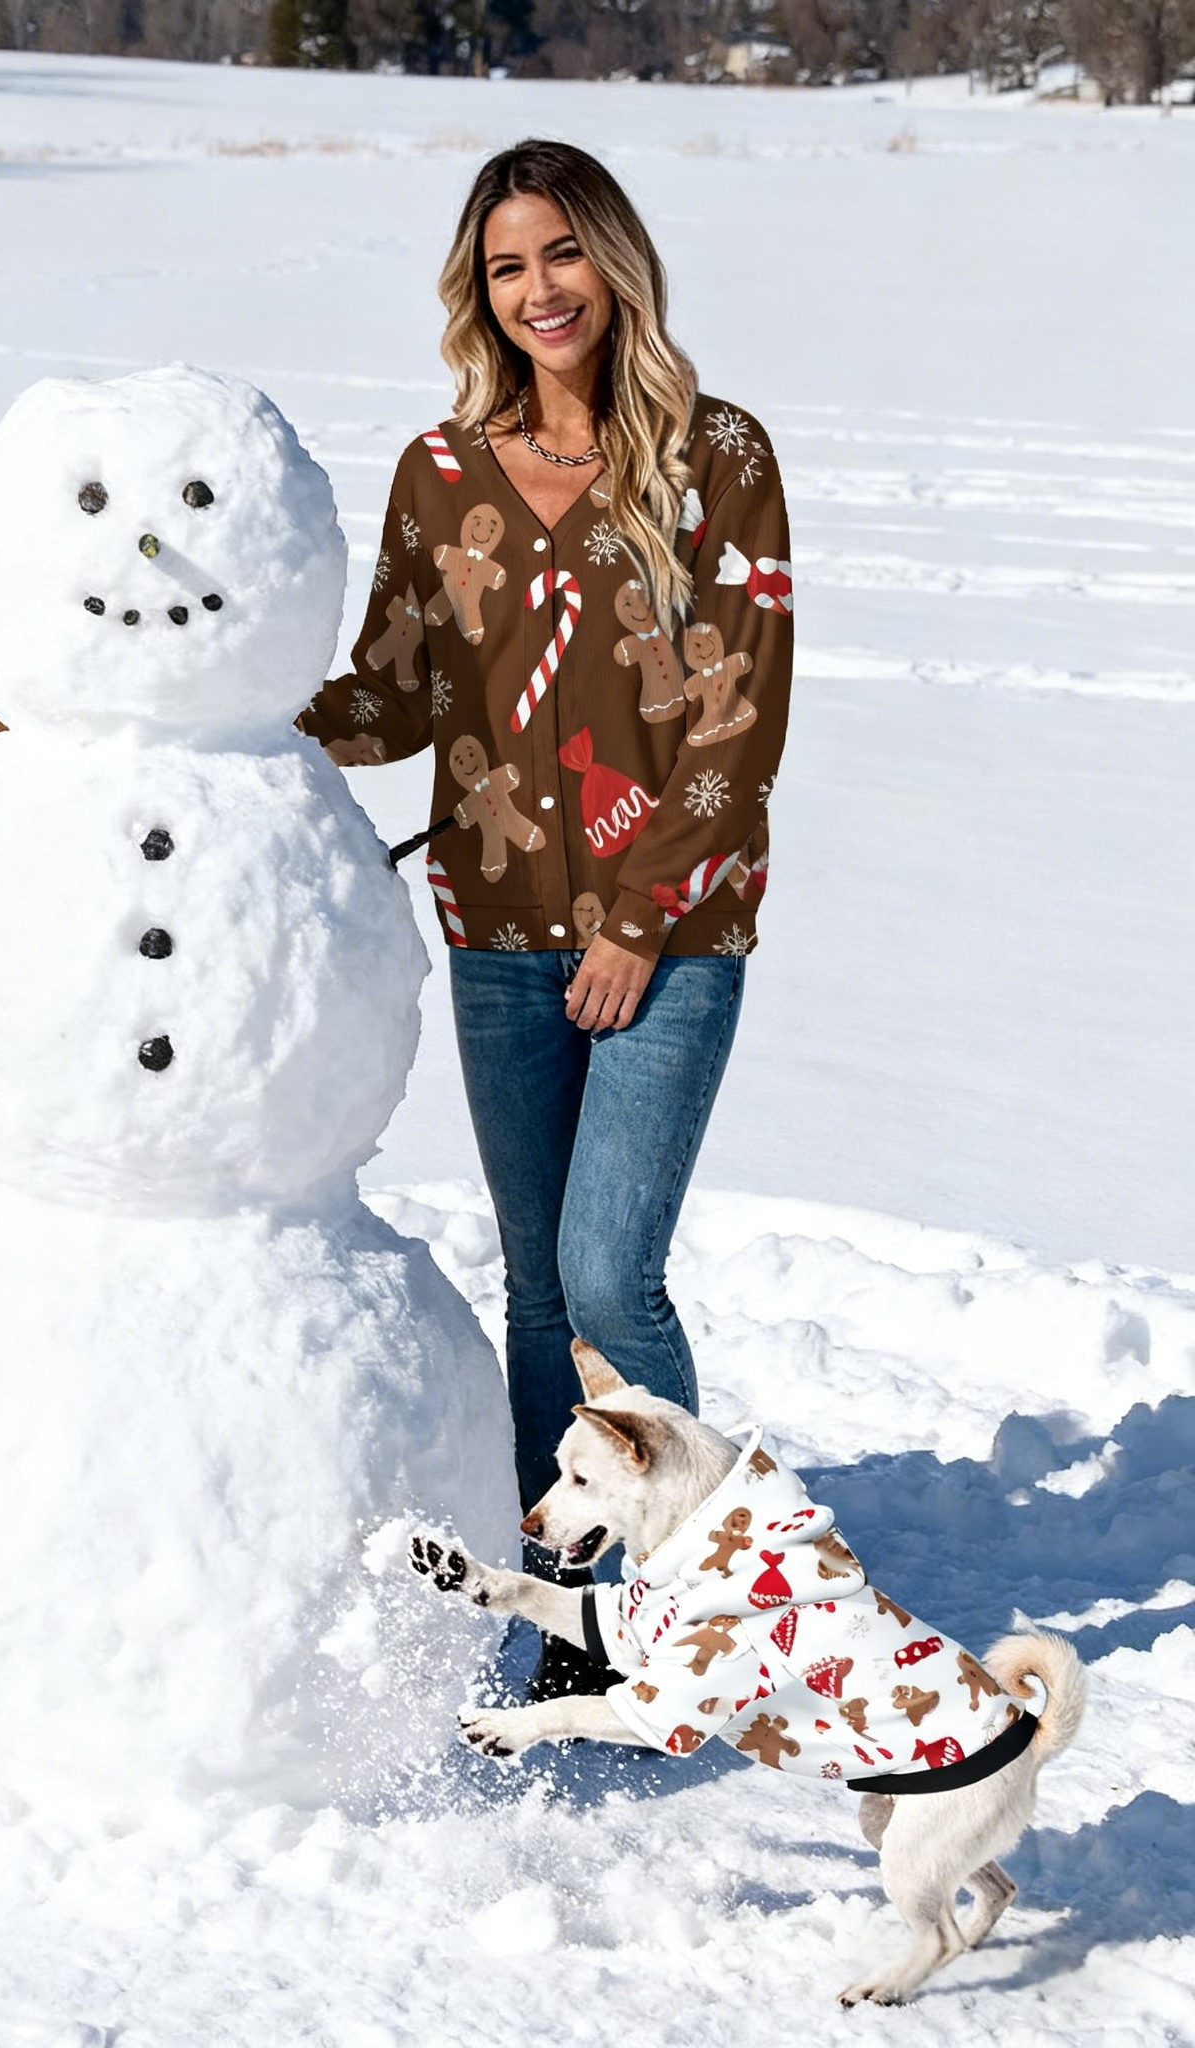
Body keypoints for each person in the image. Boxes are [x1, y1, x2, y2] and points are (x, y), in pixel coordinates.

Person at [299, 140, 792, 1700]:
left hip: (673, 933)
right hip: (499, 929)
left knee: (608, 1278)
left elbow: (739, 717)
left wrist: (642, 919)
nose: (540, 290)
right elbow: (394, 691)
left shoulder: (716, 455)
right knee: (534, 1288)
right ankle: (573, 1621)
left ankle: (674, 1606)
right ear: (479, 291)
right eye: (508, 266)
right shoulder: (440, 471)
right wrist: (228, 720)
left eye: (563, 253)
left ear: (615, 261)